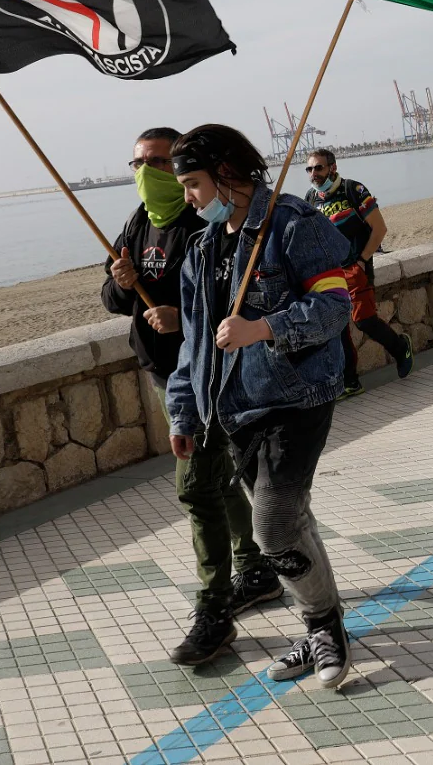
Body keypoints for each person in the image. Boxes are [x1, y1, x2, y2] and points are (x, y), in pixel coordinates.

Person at [167, 125, 354, 690]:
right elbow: (194, 344)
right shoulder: (201, 248)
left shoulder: (294, 225)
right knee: (293, 520)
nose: (188, 198)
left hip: (294, 402)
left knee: (272, 527)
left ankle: (324, 628)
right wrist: (184, 411)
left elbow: (335, 306)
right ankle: (325, 621)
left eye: (194, 184)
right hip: (233, 413)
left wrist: (263, 328)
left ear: (227, 173)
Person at [103, 127, 280, 666]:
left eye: (156, 162)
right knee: (204, 484)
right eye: (137, 163)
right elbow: (114, 300)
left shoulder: (202, 224)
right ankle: (235, 586)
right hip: (172, 377)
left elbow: (228, 304)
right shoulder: (138, 224)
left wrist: (184, 319)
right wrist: (121, 279)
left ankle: (251, 579)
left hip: (224, 378)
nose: (146, 174)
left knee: (241, 496)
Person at [304, 149, 414, 394]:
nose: (314, 174)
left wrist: (363, 260)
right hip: (329, 274)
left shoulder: (353, 190)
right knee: (339, 327)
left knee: (363, 320)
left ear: (332, 167)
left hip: (356, 267)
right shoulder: (311, 198)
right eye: (310, 169)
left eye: (319, 168)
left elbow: (380, 228)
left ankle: (400, 347)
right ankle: (350, 381)